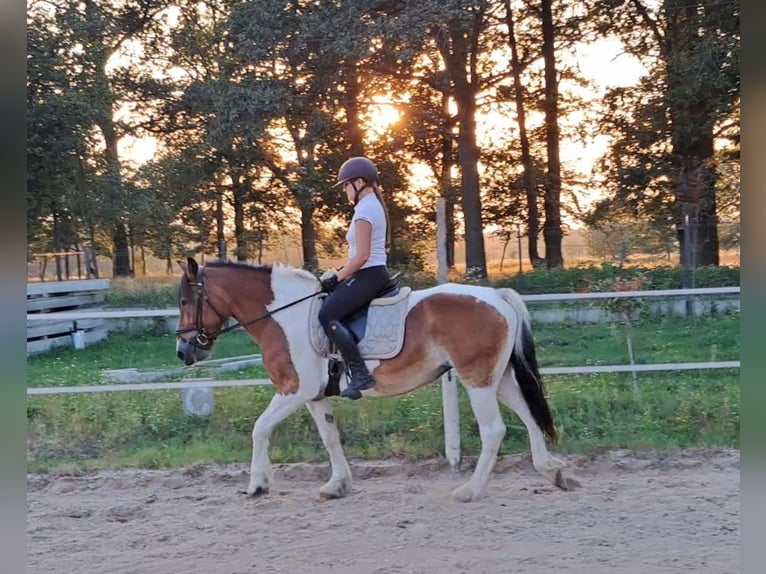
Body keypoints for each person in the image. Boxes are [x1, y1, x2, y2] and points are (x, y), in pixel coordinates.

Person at [318, 156, 391, 400]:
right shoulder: (368, 206)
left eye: (346, 186)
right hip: (369, 272)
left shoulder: (366, 209)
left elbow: (362, 256)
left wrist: (337, 277)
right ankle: (336, 370)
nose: (345, 191)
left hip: (369, 274)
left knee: (327, 314)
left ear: (359, 182)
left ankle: (360, 374)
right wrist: (339, 272)